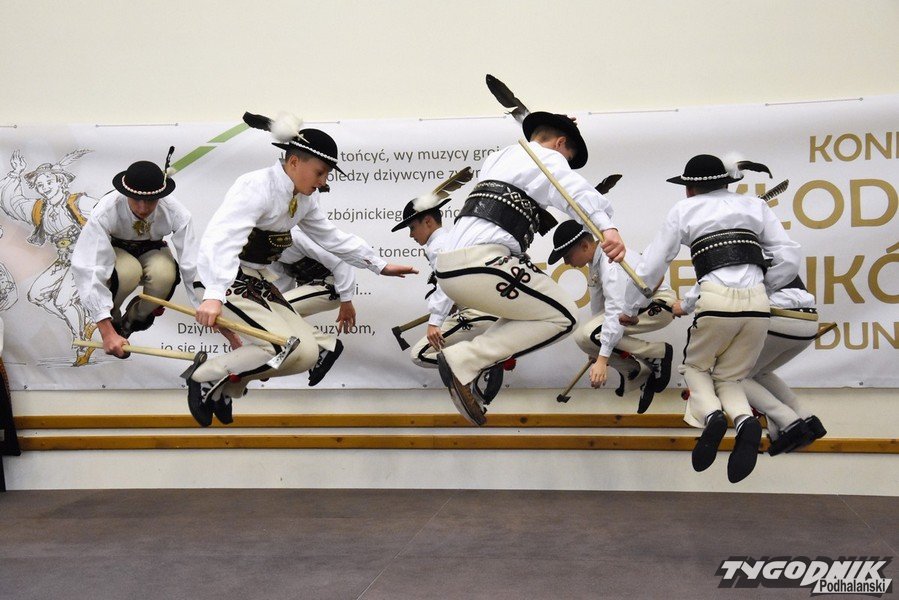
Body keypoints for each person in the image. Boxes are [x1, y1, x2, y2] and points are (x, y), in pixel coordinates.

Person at [186, 111, 416, 427]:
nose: (323, 182)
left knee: (306, 353)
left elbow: (331, 238)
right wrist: (214, 294)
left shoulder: (303, 200)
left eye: (326, 175)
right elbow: (221, 240)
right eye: (320, 173)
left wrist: (379, 265)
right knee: (280, 344)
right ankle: (204, 376)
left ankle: (227, 386)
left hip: (257, 279)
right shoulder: (256, 186)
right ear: (294, 162)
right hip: (225, 279)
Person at [433, 111, 625, 425]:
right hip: (482, 263)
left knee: (528, 311)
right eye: (567, 157)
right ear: (560, 143)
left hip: (451, 270)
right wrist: (608, 228)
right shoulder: (547, 158)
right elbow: (573, 192)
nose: (564, 163)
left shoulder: (500, 157)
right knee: (564, 316)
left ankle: (471, 365)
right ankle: (465, 359)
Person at [622, 153, 801, 483]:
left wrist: (631, 308)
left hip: (715, 301)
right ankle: (745, 422)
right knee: (730, 377)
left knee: (695, 368)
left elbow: (651, 266)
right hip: (758, 305)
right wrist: (763, 287)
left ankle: (712, 416)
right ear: (726, 183)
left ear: (689, 189)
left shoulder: (683, 210)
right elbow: (789, 257)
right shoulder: (755, 206)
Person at [71, 149, 199, 358]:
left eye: (151, 200)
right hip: (115, 249)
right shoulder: (105, 211)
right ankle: (113, 323)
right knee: (128, 272)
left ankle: (133, 320)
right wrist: (106, 331)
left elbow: (191, 262)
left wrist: (205, 303)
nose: (143, 208)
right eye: (136, 199)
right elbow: (89, 267)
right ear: (125, 193)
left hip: (152, 248)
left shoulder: (176, 212)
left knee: (165, 275)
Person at [391, 170, 503, 399]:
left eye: (412, 228)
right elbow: (458, 282)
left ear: (428, 221)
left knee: (420, 355)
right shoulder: (451, 240)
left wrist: (435, 321)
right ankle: (480, 365)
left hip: (477, 314)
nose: (411, 235)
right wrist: (453, 302)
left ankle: (483, 363)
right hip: (487, 311)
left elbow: (446, 281)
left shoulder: (438, 246)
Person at [548, 220, 674, 413]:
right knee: (586, 336)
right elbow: (599, 309)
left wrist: (602, 359)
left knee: (590, 335)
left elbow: (616, 311)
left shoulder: (610, 264)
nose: (566, 263)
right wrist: (594, 347)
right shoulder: (595, 263)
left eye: (567, 256)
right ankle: (635, 372)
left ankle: (657, 353)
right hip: (636, 307)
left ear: (585, 246)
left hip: (658, 305)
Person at [0, 149, 98, 365]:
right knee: (36, 295)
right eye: (39, 185)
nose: (44, 187)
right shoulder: (39, 209)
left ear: (61, 182)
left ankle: (82, 343)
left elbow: (108, 215)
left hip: (87, 262)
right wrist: (16, 173)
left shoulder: (79, 203)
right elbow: (11, 203)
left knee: (63, 301)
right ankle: (85, 323)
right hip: (64, 262)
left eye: (49, 182)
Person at [743, 275, 827, 455]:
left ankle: (789, 423)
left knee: (732, 375)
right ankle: (807, 419)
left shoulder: (732, 259)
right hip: (809, 323)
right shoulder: (779, 256)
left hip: (780, 320)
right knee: (760, 372)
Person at [269, 226, 356, 386]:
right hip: (312, 286)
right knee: (273, 313)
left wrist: (346, 300)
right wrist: (283, 310)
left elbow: (340, 261)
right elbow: (282, 280)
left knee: (274, 311)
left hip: (331, 286)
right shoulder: (266, 246)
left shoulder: (293, 235)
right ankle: (310, 351)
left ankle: (327, 346)